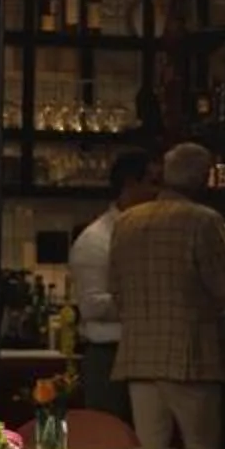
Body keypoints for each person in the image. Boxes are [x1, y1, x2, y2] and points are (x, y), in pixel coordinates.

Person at [108, 142, 225, 449]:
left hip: (139, 355)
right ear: (201, 176)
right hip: (191, 355)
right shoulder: (203, 221)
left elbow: (115, 289)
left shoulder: (126, 222)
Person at [66, 149, 159, 425]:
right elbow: (93, 305)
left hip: (145, 353)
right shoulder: (97, 240)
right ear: (130, 184)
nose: (159, 192)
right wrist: (146, 303)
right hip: (109, 355)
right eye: (153, 182)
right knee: (110, 439)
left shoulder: (151, 230)